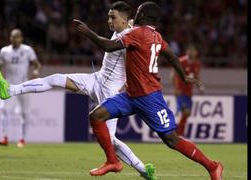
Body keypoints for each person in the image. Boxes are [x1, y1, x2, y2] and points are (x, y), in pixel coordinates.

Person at [0, 2, 156, 179]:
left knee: (110, 140)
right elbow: (131, 25)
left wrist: (125, 85)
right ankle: (10, 90)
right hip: (97, 80)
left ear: (124, 20)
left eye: (113, 17)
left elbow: (133, 64)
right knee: (55, 78)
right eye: (109, 16)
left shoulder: (129, 37)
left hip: (110, 92)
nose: (109, 20)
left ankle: (143, 169)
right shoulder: (126, 27)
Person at [72, 2, 223, 179]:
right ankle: (112, 161)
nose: (134, 15)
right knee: (96, 116)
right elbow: (172, 56)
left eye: (137, 12)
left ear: (142, 16)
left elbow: (109, 46)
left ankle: (213, 166)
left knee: (172, 140)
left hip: (150, 98)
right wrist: (183, 76)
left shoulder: (137, 33)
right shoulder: (156, 36)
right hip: (130, 96)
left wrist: (88, 32)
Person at [0, 29, 41, 148]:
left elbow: (37, 64)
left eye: (17, 37)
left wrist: (36, 71)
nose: (15, 39)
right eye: (13, 37)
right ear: (10, 38)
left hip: (24, 85)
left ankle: (22, 139)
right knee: (5, 111)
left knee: (24, 113)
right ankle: (5, 137)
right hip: (9, 84)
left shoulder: (27, 50)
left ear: (21, 38)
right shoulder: (4, 51)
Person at [171, 45, 204, 136]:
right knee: (186, 111)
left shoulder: (197, 64)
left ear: (196, 53)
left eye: (193, 51)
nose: (191, 53)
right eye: (190, 51)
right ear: (187, 51)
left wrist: (200, 86)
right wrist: (176, 88)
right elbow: (173, 75)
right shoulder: (181, 61)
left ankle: (179, 133)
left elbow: (196, 76)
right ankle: (178, 133)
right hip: (180, 92)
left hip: (189, 92)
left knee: (187, 114)